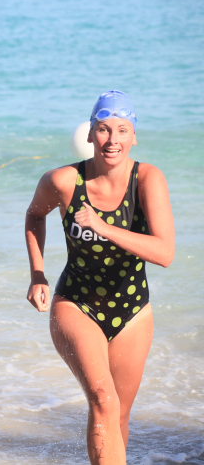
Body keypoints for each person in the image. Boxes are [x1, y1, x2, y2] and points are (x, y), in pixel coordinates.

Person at [25, 91, 174, 465]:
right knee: (103, 399)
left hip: (133, 310)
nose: (113, 140)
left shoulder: (148, 179)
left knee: (118, 414)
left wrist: (104, 227)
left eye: (122, 130)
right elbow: (34, 215)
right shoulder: (63, 181)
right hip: (76, 303)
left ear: (133, 136)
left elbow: (164, 253)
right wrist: (37, 274)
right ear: (90, 134)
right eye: (104, 130)